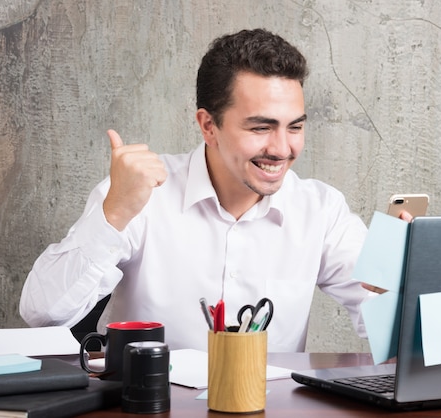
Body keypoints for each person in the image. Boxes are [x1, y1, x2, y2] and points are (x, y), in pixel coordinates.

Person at [20, 28, 404, 352]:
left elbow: (392, 335)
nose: (282, 148)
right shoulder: (141, 195)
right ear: (208, 126)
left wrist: (409, 279)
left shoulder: (321, 210)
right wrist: (115, 213)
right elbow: (43, 314)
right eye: (260, 128)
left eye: (295, 127)